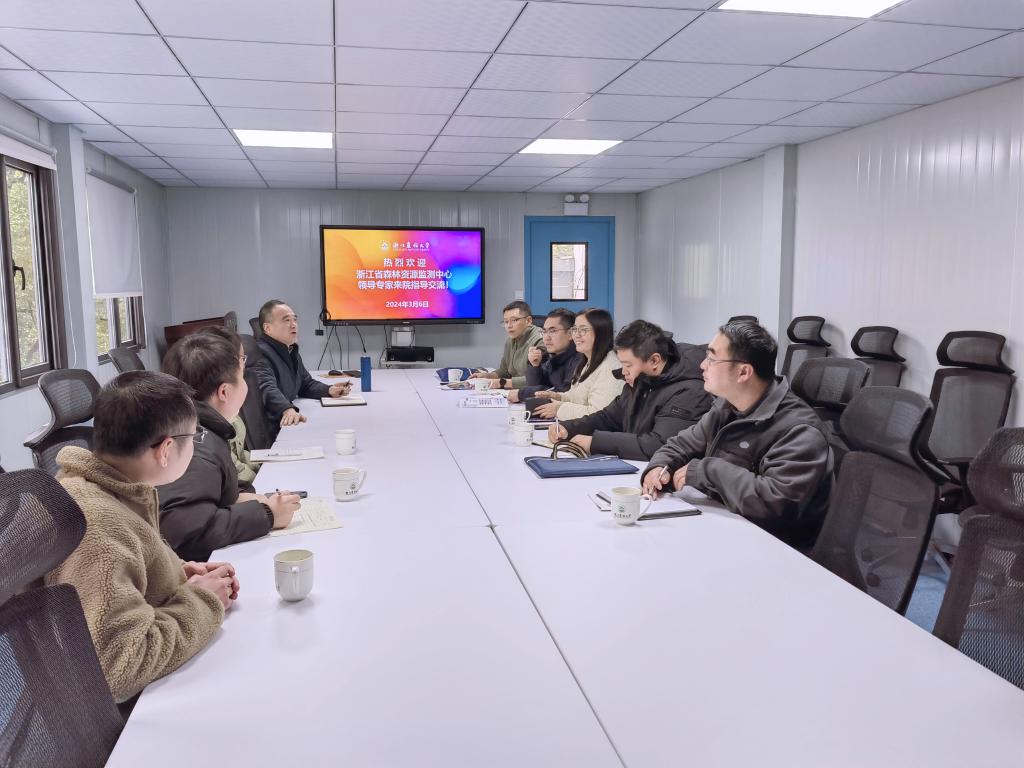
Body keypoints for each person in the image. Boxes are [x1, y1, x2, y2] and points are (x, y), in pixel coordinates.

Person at [46, 371, 238, 703]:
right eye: (193, 437)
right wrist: (204, 601)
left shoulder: (117, 489)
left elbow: (128, 570)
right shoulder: (98, 525)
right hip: (134, 713)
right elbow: (120, 665)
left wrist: (177, 574)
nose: (195, 446)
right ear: (166, 450)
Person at [641, 319, 833, 548]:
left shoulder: (799, 430)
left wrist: (708, 471)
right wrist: (658, 467)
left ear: (743, 372)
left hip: (774, 548)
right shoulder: (725, 406)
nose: (702, 365)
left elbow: (776, 502)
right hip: (726, 528)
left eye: (712, 359)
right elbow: (681, 444)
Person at [159, 330, 300, 562]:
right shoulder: (196, 447)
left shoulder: (194, 427)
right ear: (224, 392)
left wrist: (243, 499)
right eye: (242, 377)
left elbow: (205, 502)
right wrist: (267, 515)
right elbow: (186, 532)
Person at [549, 320, 713, 460]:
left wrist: (596, 442)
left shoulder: (690, 391)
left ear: (654, 360)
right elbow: (609, 417)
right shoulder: (641, 379)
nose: (624, 371)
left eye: (628, 365)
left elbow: (660, 444)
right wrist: (570, 428)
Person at [254, 299, 351, 436]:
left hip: (287, 423)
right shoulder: (260, 353)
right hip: (275, 428)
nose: (293, 325)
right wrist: (286, 409)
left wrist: (328, 390)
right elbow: (266, 388)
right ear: (267, 328)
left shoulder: (290, 350)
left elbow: (305, 384)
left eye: (294, 319)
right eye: (286, 320)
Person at [531, 307, 624, 420]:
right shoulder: (587, 361)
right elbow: (577, 398)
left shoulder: (610, 368)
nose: (576, 335)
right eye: (575, 329)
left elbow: (599, 414)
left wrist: (559, 409)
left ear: (600, 332)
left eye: (583, 329)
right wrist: (557, 397)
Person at [200, 326, 259, 487]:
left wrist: (260, 467)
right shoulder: (212, 429)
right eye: (242, 358)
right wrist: (260, 478)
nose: (244, 364)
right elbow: (235, 469)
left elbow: (240, 454)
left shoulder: (230, 413)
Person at [509, 308, 581, 403]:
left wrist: (522, 393)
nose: (546, 338)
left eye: (552, 331)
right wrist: (535, 366)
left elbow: (564, 393)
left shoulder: (580, 358)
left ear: (570, 334)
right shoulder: (550, 356)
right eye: (544, 332)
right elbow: (537, 389)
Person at [469, 300, 544, 390]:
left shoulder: (541, 340)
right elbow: (504, 371)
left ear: (528, 320)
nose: (509, 326)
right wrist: (486, 376)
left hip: (534, 393)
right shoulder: (510, 340)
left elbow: (538, 379)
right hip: (515, 391)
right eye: (505, 321)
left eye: (514, 320)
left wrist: (501, 383)